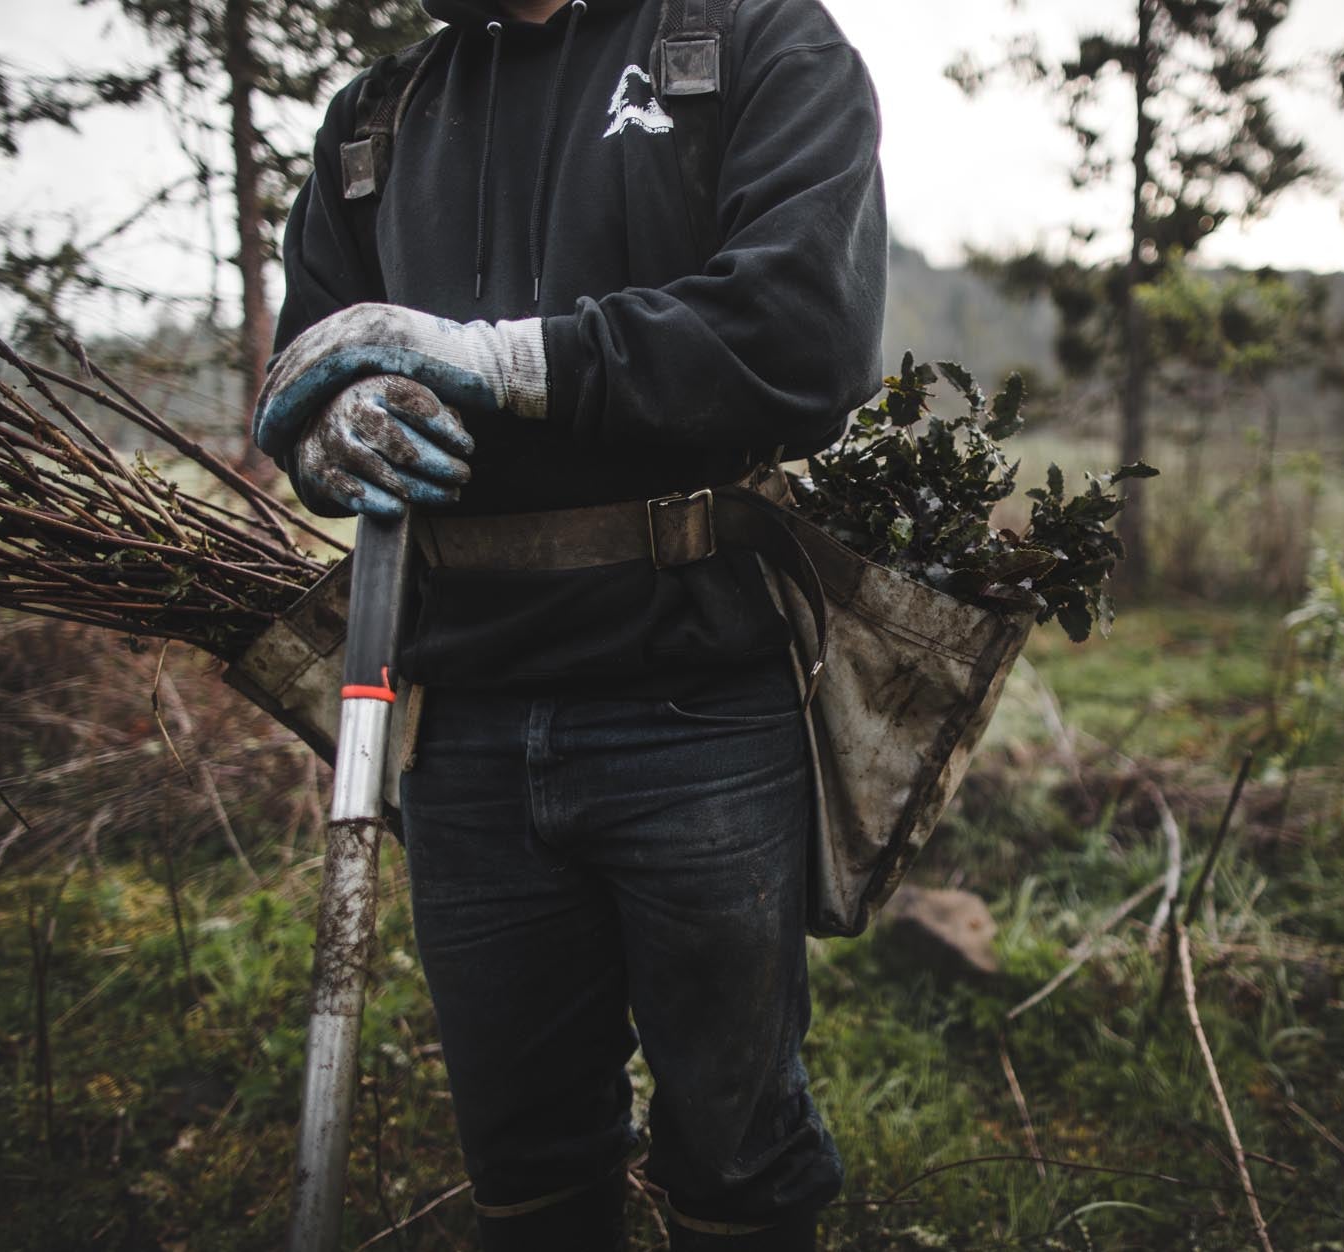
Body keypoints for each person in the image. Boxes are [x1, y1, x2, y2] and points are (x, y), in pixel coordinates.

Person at [252, 0, 887, 1247]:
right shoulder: (374, 123)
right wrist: (326, 436)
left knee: (736, 1145)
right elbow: (312, 365)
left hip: (695, 705)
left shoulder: (753, 43)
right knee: (525, 1150)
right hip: (463, 721)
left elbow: (805, 336)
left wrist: (508, 361)